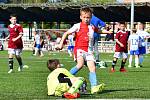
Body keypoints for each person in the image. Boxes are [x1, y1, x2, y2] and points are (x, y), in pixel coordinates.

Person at [57, 7, 105, 94]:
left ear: (91, 17)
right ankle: (65, 78)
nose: (86, 19)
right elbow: (66, 33)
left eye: (88, 17)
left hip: (89, 51)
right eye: (84, 17)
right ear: (81, 17)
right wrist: (61, 44)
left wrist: (108, 32)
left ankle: (94, 87)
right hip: (79, 49)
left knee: (93, 67)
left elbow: (98, 31)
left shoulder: (92, 27)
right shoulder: (77, 26)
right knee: (80, 65)